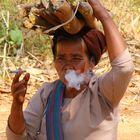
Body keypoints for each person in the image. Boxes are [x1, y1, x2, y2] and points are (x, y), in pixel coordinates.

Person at [6, 0, 134, 140]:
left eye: (76, 58)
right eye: (61, 58)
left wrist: (103, 16)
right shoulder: (46, 94)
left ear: (92, 62)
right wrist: (17, 104)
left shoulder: (102, 92)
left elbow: (124, 68)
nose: (67, 65)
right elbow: (18, 138)